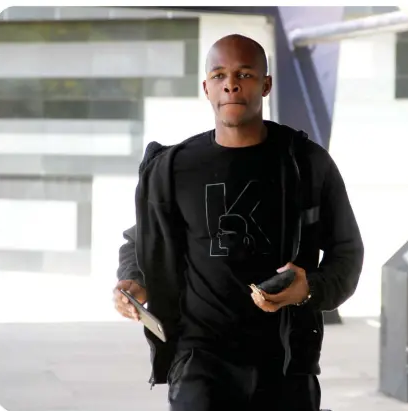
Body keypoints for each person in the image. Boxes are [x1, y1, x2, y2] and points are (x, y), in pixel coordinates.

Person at [113, 34, 364, 411]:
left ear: (266, 84)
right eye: (219, 74)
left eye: (245, 74)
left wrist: (308, 288)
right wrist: (133, 279)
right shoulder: (173, 168)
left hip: (285, 362)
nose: (231, 83)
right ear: (206, 88)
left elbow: (347, 251)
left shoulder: (307, 164)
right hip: (200, 359)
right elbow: (139, 241)